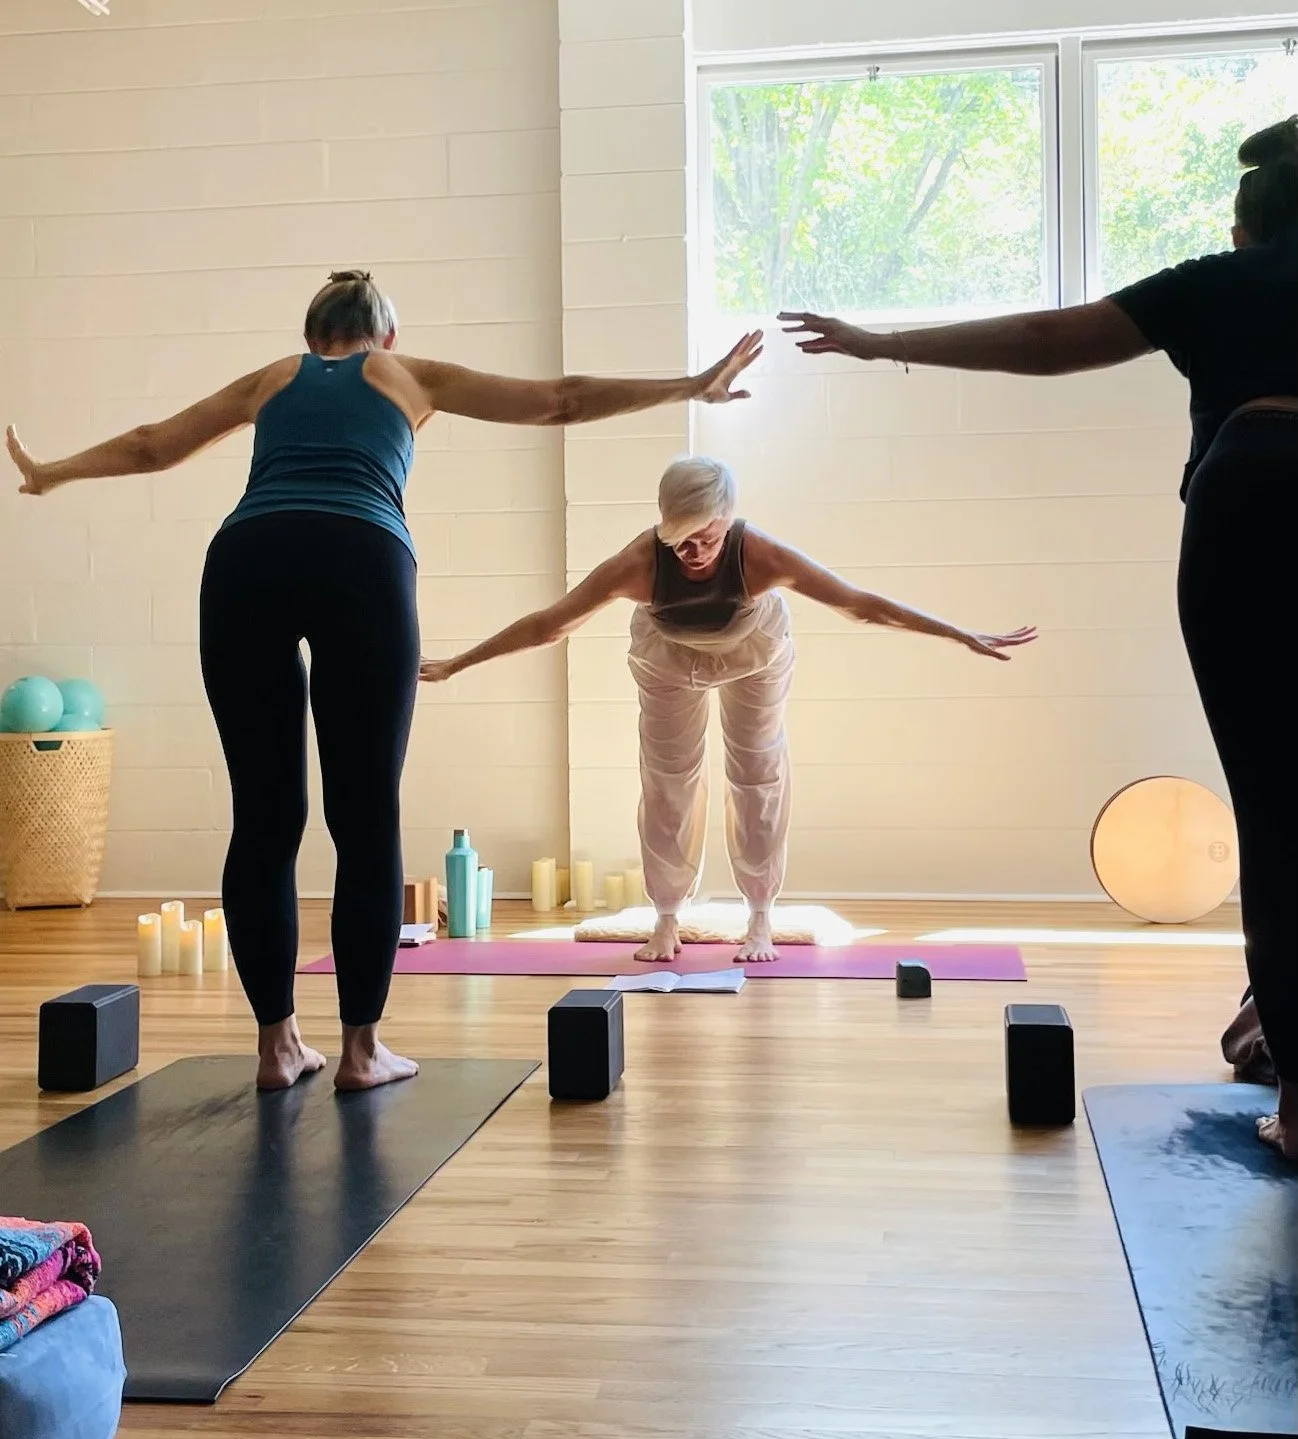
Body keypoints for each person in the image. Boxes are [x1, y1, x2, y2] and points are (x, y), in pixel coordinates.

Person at [5, 271, 764, 1091]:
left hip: (243, 563)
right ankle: (362, 1053)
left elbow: (156, 443)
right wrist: (692, 385)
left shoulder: (271, 379)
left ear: (310, 339)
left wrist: (53, 471)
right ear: (387, 337)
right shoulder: (409, 376)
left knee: (264, 818)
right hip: (360, 558)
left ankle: (277, 1047)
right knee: (364, 817)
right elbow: (561, 399)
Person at [780, 115, 1298, 1155]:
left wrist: (881, 341)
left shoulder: (1214, 281)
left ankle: (1297, 1103)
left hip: (1249, 500)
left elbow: (1044, 342)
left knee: (1273, 802)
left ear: (1242, 233)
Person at [420, 455, 1035, 962]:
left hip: (756, 654)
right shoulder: (638, 564)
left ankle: (760, 914)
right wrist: (457, 663)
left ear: (728, 520)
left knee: (757, 772)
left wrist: (958, 633)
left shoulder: (758, 555)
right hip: (667, 657)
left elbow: (859, 604)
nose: (691, 552)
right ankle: (667, 915)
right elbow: (550, 625)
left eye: (705, 539)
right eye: (678, 540)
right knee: (667, 778)